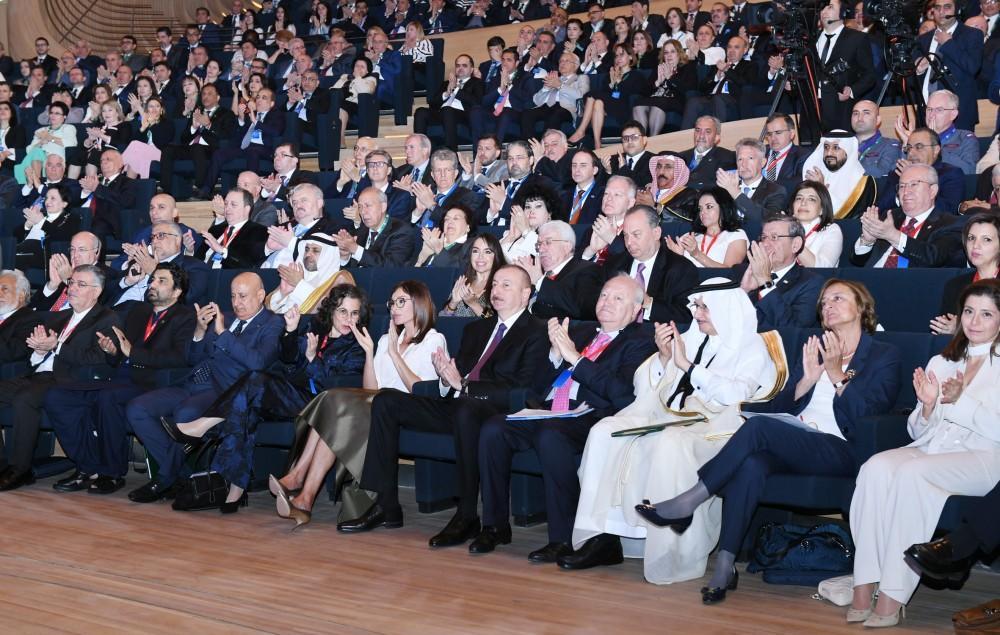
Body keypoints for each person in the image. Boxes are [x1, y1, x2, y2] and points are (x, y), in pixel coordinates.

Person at [636, 279, 901, 604]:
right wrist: (806, 381)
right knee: (752, 464)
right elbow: (780, 407)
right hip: (799, 438)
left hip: (841, 448)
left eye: (837, 298)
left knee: (759, 428)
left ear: (861, 307)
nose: (827, 305)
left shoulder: (883, 355)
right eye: (824, 301)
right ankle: (724, 565)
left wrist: (836, 375)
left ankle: (689, 501)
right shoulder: (813, 346)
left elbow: (868, 416)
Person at [564, 278, 780, 579]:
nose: (698, 313)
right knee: (605, 431)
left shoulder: (751, 347)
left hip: (716, 428)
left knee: (668, 442)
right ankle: (602, 536)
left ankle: (670, 550)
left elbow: (736, 396)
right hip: (670, 415)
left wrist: (690, 368)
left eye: (705, 308)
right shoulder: (691, 338)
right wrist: (666, 360)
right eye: (697, 306)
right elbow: (647, 386)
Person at [340, 267, 549, 544]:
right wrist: (445, 378)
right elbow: (454, 376)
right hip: (458, 404)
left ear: (525, 294)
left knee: (466, 409)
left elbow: (522, 389)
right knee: (386, 400)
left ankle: (467, 515)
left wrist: (464, 386)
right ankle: (385, 505)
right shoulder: (477, 328)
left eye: (506, 285)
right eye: (495, 284)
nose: (496, 290)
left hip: (496, 412)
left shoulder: (536, 331)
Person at [848, 280, 1000, 628]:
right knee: (875, 467)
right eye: (969, 311)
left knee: (912, 474)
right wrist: (929, 407)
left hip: (985, 458)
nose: (975, 321)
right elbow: (918, 431)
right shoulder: (943, 360)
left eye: (987, 314)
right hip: (936, 450)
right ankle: (864, 582)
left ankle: (893, 595)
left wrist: (961, 401)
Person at [472, 275, 656, 561]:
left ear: (635, 311)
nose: (606, 302)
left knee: (551, 435)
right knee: (495, 428)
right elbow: (539, 383)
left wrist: (577, 360)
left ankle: (564, 537)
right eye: (604, 295)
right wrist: (556, 357)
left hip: (591, 417)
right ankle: (494, 526)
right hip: (550, 410)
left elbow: (622, 395)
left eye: (618, 299)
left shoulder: (640, 344)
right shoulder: (581, 332)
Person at [164, 285, 369, 516]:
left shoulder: (357, 345)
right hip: (290, 392)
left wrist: (313, 360)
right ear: (332, 311)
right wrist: (291, 332)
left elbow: (334, 388)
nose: (348, 319)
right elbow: (288, 359)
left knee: (254, 379)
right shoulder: (314, 328)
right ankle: (236, 487)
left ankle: (205, 425)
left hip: (317, 404)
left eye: (354, 313)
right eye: (343, 311)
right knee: (245, 409)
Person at [264, 280, 444, 527]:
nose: (393, 307)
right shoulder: (383, 339)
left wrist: (394, 354)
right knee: (332, 404)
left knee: (333, 400)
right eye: (392, 302)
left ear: (419, 304)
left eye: (401, 301)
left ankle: (297, 478)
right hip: (377, 406)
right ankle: (304, 499)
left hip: (408, 409)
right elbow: (371, 389)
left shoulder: (433, 340)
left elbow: (421, 390)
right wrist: (370, 354)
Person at [126, 272, 283, 505]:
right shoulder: (225, 317)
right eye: (232, 296)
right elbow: (193, 358)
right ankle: (184, 477)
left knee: (185, 415)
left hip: (225, 390)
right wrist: (200, 331)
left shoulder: (272, 322)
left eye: (243, 296)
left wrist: (223, 334)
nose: (236, 303)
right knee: (137, 409)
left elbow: (257, 362)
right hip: (192, 383)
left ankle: (164, 478)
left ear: (260, 295)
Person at [45, 264, 197, 495]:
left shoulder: (185, 317)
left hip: (152, 382)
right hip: (118, 377)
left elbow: (179, 358)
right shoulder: (139, 312)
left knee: (108, 397)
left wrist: (131, 353)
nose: (153, 284)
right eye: (153, 279)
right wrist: (112, 352)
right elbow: (119, 353)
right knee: (58, 396)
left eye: (161, 281)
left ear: (177, 292)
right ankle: (88, 467)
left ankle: (112, 473)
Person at [0, 265, 121, 492]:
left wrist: (57, 346)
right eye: (72, 283)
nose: (72, 288)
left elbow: (97, 358)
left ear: (96, 291)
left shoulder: (106, 318)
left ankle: (20, 469)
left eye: (80, 284)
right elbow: (34, 357)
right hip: (37, 375)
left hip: (67, 381)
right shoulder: (58, 317)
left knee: (25, 398)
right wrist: (38, 351)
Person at [850, 163, 964, 268]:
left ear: (932, 191)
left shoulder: (950, 224)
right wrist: (867, 241)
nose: (905, 192)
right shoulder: (889, 217)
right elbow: (858, 262)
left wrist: (893, 235)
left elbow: (933, 258)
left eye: (913, 184)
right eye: (901, 186)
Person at [605, 206, 698, 324]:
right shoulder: (614, 265)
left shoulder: (681, 269)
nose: (629, 242)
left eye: (636, 234)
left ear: (656, 233)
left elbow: (685, 316)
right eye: (626, 235)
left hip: (654, 338)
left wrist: (648, 302)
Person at [739, 213, 824, 330]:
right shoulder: (742, 273)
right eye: (763, 237)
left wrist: (765, 283)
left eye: (774, 237)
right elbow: (723, 321)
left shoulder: (811, 283)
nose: (765, 244)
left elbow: (793, 331)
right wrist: (743, 291)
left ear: (795, 245)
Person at [916, 0, 983, 130]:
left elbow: (973, 67)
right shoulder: (923, 39)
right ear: (932, 11)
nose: (941, 12)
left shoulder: (972, 35)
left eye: (947, 7)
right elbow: (913, 82)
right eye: (937, 8)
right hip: (926, 112)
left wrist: (948, 44)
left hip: (958, 114)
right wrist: (918, 69)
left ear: (956, 11)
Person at [812, 0, 877, 130]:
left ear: (843, 12)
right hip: (812, 110)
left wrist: (852, 90)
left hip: (841, 110)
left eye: (830, 7)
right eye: (822, 8)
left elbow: (870, 75)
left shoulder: (857, 38)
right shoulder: (810, 40)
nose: (824, 11)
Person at [568, 44, 646, 150]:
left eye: (622, 54)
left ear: (631, 57)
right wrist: (611, 84)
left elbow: (629, 94)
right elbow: (606, 94)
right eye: (616, 55)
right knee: (598, 103)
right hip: (608, 106)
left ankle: (580, 131)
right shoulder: (609, 75)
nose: (618, 58)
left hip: (622, 109)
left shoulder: (636, 75)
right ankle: (597, 143)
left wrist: (618, 82)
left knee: (591, 95)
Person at [932, 213, 1000, 335]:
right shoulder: (955, 285)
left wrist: (960, 329)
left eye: (986, 239)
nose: (975, 246)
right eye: (971, 238)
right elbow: (943, 330)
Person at [523, 220, 604, 321]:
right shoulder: (535, 271)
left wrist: (540, 281)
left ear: (567, 247)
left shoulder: (587, 270)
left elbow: (581, 309)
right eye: (539, 244)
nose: (541, 249)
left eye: (548, 242)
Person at [876, 127, 964, 214]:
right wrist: (902, 188)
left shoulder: (950, 174)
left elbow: (948, 211)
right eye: (909, 148)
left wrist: (915, 177)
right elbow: (879, 209)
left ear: (936, 150)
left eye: (919, 147)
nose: (911, 153)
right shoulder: (898, 173)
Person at [715, 137, 786, 237]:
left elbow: (768, 222)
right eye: (740, 159)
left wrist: (735, 192)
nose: (744, 164)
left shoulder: (776, 191)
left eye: (750, 158)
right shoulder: (726, 188)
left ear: (762, 162)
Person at [800, 130, 877, 219]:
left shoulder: (864, 184)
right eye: (826, 147)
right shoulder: (813, 175)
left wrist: (821, 188)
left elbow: (848, 218)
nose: (829, 153)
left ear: (848, 151)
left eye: (836, 148)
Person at [414, 54, 483, 152]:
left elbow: (476, 102)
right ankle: (420, 150)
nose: (460, 68)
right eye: (458, 66)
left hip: (462, 116)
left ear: (471, 69)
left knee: (448, 110)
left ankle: (451, 152)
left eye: (464, 65)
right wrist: (446, 93)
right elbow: (432, 103)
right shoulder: (446, 83)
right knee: (420, 111)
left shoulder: (476, 82)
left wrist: (456, 89)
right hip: (441, 113)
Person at [666, 187, 748, 268]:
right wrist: (678, 257)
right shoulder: (690, 236)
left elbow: (729, 272)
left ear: (723, 207)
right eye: (700, 208)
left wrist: (696, 254)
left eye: (709, 207)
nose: (702, 212)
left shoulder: (736, 235)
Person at [338, 187, 417, 268]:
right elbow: (352, 268)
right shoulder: (360, 231)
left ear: (383, 207)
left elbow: (392, 266)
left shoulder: (402, 231)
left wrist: (355, 249)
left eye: (368, 205)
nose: (362, 212)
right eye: (360, 207)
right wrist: (345, 257)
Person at [267, 234, 346, 315]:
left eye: (315, 251)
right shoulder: (296, 275)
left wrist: (299, 284)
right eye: (307, 249)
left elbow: (332, 311)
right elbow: (269, 311)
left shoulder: (341, 279)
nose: (308, 254)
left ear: (328, 255)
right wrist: (283, 294)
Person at [632, 41, 698, 137]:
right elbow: (643, 92)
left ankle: (653, 139)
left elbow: (687, 89)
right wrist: (657, 82)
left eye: (672, 52)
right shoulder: (659, 68)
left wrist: (670, 78)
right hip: (656, 99)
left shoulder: (687, 68)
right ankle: (641, 139)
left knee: (658, 104)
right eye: (666, 52)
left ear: (679, 54)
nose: (669, 55)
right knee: (638, 104)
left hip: (675, 100)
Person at [194, 188, 268, 269]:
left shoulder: (258, 231)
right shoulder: (215, 230)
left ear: (247, 209)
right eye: (226, 204)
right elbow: (197, 259)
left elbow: (248, 265)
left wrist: (222, 251)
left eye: (233, 204)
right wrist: (190, 251)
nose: (227, 208)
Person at [522, 52, 589, 140]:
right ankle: (530, 145)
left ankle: (547, 144)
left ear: (576, 65)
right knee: (527, 113)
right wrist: (545, 88)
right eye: (561, 61)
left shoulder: (581, 78)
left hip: (565, 109)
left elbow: (581, 95)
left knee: (555, 114)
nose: (562, 63)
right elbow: (536, 100)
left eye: (567, 61)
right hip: (546, 107)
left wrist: (560, 85)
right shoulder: (553, 78)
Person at [14, 184, 80, 270]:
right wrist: (27, 225)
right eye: (46, 198)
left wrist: (41, 222)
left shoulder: (71, 218)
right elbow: (14, 238)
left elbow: (61, 237)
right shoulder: (38, 213)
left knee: (20, 252)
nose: (47, 202)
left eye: (53, 198)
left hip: (45, 256)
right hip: (22, 251)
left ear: (64, 203)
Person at [441, 233, 506, 317]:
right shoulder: (463, 282)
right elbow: (443, 320)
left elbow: (499, 323)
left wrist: (473, 304)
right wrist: (453, 302)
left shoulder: (501, 285)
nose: (480, 257)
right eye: (475, 251)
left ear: (496, 255)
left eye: (487, 252)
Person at [14, 102, 78, 185]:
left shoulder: (68, 128)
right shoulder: (40, 131)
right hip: (37, 158)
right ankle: (37, 182)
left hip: (55, 159)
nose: (53, 115)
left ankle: (34, 183)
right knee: (37, 151)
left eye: (57, 113)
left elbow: (72, 143)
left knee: (37, 152)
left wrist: (50, 138)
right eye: (51, 113)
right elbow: (29, 150)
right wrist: (41, 142)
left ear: (64, 116)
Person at [499, 183, 562, 261]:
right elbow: (493, 259)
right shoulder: (512, 234)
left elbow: (548, 255)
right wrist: (511, 237)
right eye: (528, 207)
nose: (531, 211)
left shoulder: (555, 235)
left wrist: (525, 230)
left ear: (549, 213)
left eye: (538, 206)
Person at [788, 181, 845, 268]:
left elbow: (823, 268)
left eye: (811, 199)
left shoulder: (831, 230)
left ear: (822, 209)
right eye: (799, 198)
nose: (803, 203)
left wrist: (791, 236)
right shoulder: (781, 227)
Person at [121, 97, 174, 179]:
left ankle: (118, 165)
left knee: (135, 145)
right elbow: (130, 144)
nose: (154, 109)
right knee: (134, 159)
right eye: (151, 106)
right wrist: (143, 128)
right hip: (144, 154)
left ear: (161, 110)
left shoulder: (167, 124)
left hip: (161, 154)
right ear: (147, 110)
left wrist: (152, 125)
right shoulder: (144, 123)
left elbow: (161, 142)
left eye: (157, 106)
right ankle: (128, 185)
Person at [677, 115, 736, 191]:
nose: (701, 136)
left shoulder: (727, 157)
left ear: (716, 138)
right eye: (698, 130)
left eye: (707, 132)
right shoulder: (679, 157)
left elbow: (721, 189)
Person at [640, 153, 699, 221]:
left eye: (668, 167)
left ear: (679, 171)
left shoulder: (691, 194)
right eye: (658, 166)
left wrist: (655, 206)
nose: (661, 172)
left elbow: (689, 220)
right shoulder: (646, 191)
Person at [852, 100, 902, 179]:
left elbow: (880, 172)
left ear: (878, 120)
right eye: (855, 113)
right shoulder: (842, 145)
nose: (859, 118)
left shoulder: (890, 145)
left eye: (866, 113)